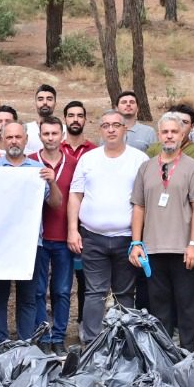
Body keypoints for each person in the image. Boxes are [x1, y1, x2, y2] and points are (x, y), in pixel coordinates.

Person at [68, 109, 149, 343]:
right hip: (93, 237)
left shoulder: (139, 159)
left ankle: (124, 342)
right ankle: (93, 343)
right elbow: (75, 195)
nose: (111, 129)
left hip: (127, 238)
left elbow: (143, 201)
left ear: (125, 129)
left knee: (125, 294)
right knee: (95, 292)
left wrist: (138, 239)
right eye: (106, 125)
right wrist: (73, 230)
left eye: (116, 125)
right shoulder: (89, 159)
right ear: (100, 130)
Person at [129, 113, 194, 349]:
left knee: (186, 306)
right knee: (159, 306)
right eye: (165, 132)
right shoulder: (146, 168)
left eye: (175, 131)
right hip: (153, 248)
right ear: (159, 135)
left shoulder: (192, 168)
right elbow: (139, 206)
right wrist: (136, 243)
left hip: (183, 249)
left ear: (183, 135)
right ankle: (164, 354)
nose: (170, 135)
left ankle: (188, 354)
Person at [0, 121, 56, 344]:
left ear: (25, 140)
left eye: (18, 137)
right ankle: (1, 342)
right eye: (9, 137)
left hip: (31, 244)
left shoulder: (37, 170)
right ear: (3, 140)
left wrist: (53, 182)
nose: (14, 141)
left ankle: (25, 342)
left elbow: (55, 202)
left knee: (28, 297)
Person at [32, 117, 77, 350]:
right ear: (39, 135)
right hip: (36, 239)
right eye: (46, 133)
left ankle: (59, 336)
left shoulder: (74, 163)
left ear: (62, 135)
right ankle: (43, 335)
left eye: (54, 133)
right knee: (38, 291)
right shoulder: (30, 163)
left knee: (61, 290)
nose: (50, 138)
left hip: (62, 236)